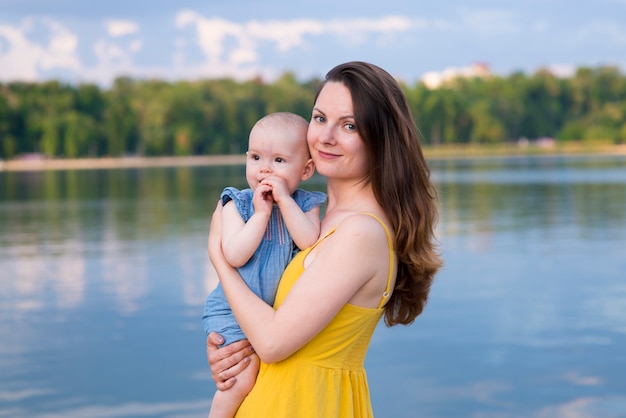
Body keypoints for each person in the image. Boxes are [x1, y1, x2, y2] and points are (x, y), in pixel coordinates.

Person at [205, 61, 443, 417]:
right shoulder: (312, 217)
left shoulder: (361, 232)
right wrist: (230, 346)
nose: (326, 136)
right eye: (319, 118)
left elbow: (272, 342)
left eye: (349, 125)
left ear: (380, 138)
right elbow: (268, 326)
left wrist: (220, 259)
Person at [202, 112, 327, 418]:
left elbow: (310, 239)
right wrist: (260, 215)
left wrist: (284, 201)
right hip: (230, 309)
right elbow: (233, 254)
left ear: (307, 169)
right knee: (242, 375)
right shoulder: (237, 203)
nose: (264, 169)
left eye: (279, 161)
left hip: (269, 316)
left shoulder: (304, 205)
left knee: (266, 374)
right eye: (256, 157)